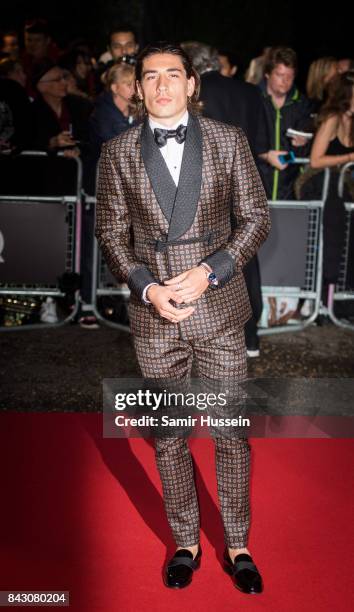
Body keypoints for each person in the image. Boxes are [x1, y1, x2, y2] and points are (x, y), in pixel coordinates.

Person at [95, 41, 270, 593]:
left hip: (217, 309)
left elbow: (255, 218)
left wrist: (209, 272)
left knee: (229, 433)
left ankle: (238, 543)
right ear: (139, 87)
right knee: (169, 436)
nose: (163, 86)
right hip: (155, 317)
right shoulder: (117, 153)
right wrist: (147, 288)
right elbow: (110, 234)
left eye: (174, 75)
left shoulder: (227, 139)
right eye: (151, 77)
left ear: (192, 84)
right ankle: (186, 542)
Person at [183, 40, 267, 356]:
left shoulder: (194, 94)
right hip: (246, 184)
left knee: (200, 257)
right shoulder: (249, 92)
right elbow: (260, 142)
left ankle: (205, 336)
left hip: (206, 189)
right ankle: (251, 335)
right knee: (244, 257)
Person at [309, 70, 354, 299]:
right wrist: (348, 158)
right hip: (327, 191)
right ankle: (326, 301)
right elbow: (316, 159)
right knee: (331, 245)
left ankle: (343, 300)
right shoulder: (332, 119)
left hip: (347, 192)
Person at [257, 46, 313, 201]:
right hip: (256, 186)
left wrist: (301, 145)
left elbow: (307, 150)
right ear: (267, 74)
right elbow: (241, 138)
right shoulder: (252, 98)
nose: (285, 81)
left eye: (290, 76)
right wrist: (266, 156)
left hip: (289, 189)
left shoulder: (302, 103)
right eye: (280, 75)